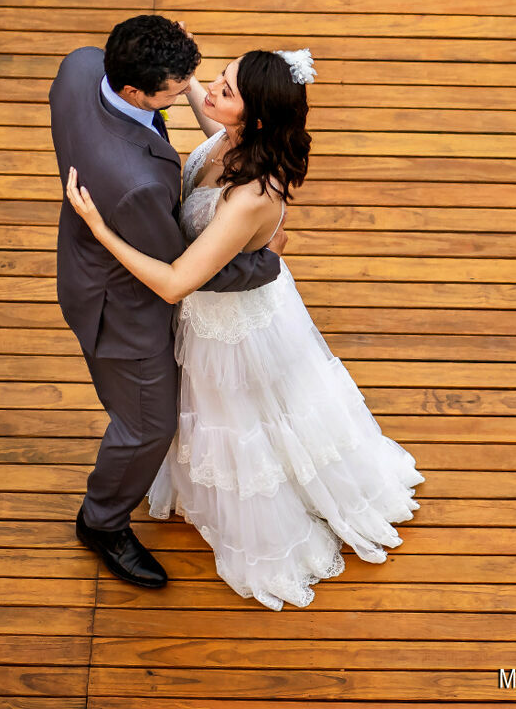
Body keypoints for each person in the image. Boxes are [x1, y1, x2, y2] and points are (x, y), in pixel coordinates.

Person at [63, 42, 424, 610]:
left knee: (241, 418)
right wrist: (180, 76)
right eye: (220, 77)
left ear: (253, 117)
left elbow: (178, 282)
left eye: (225, 90)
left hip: (225, 321)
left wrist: (99, 227)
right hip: (226, 297)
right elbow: (210, 114)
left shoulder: (252, 197)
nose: (211, 91)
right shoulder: (235, 136)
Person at [51, 15, 285, 590]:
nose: (194, 92)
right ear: (136, 91)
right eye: (178, 87)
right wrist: (265, 261)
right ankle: (101, 521)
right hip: (123, 307)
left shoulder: (82, 65)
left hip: (81, 260)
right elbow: (182, 272)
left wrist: (172, 54)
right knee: (146, 426)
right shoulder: (138, 183)